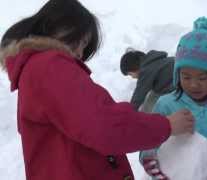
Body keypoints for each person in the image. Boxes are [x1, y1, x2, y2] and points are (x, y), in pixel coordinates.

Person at [0, 0, 195, 180]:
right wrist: (167, 125)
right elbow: (104, 125)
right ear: (62, 26)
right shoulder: (49, 66)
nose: (80, 53)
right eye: (83, 43)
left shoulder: (36, 70)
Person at [139, 17, 207, 180]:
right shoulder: (166, 104)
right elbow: (149, 139)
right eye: (186, 77)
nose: (194, 85)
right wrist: (149, 158)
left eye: (202, 78)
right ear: (177, 74)